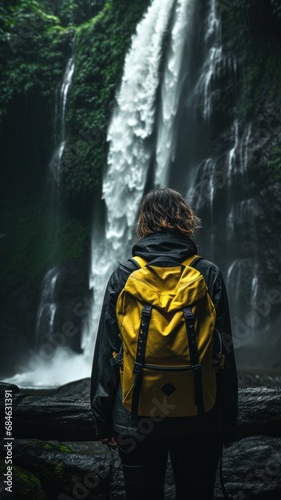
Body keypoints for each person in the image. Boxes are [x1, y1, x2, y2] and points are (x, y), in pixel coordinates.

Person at [90, 188, 238, 500]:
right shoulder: (207, 273)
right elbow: (223, 351)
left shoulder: (125, 274)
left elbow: (107, 350)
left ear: (143, 224)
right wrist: (228, 420)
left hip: (136, 417)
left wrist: (102, 419)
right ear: (186, 221)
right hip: (200, 415)